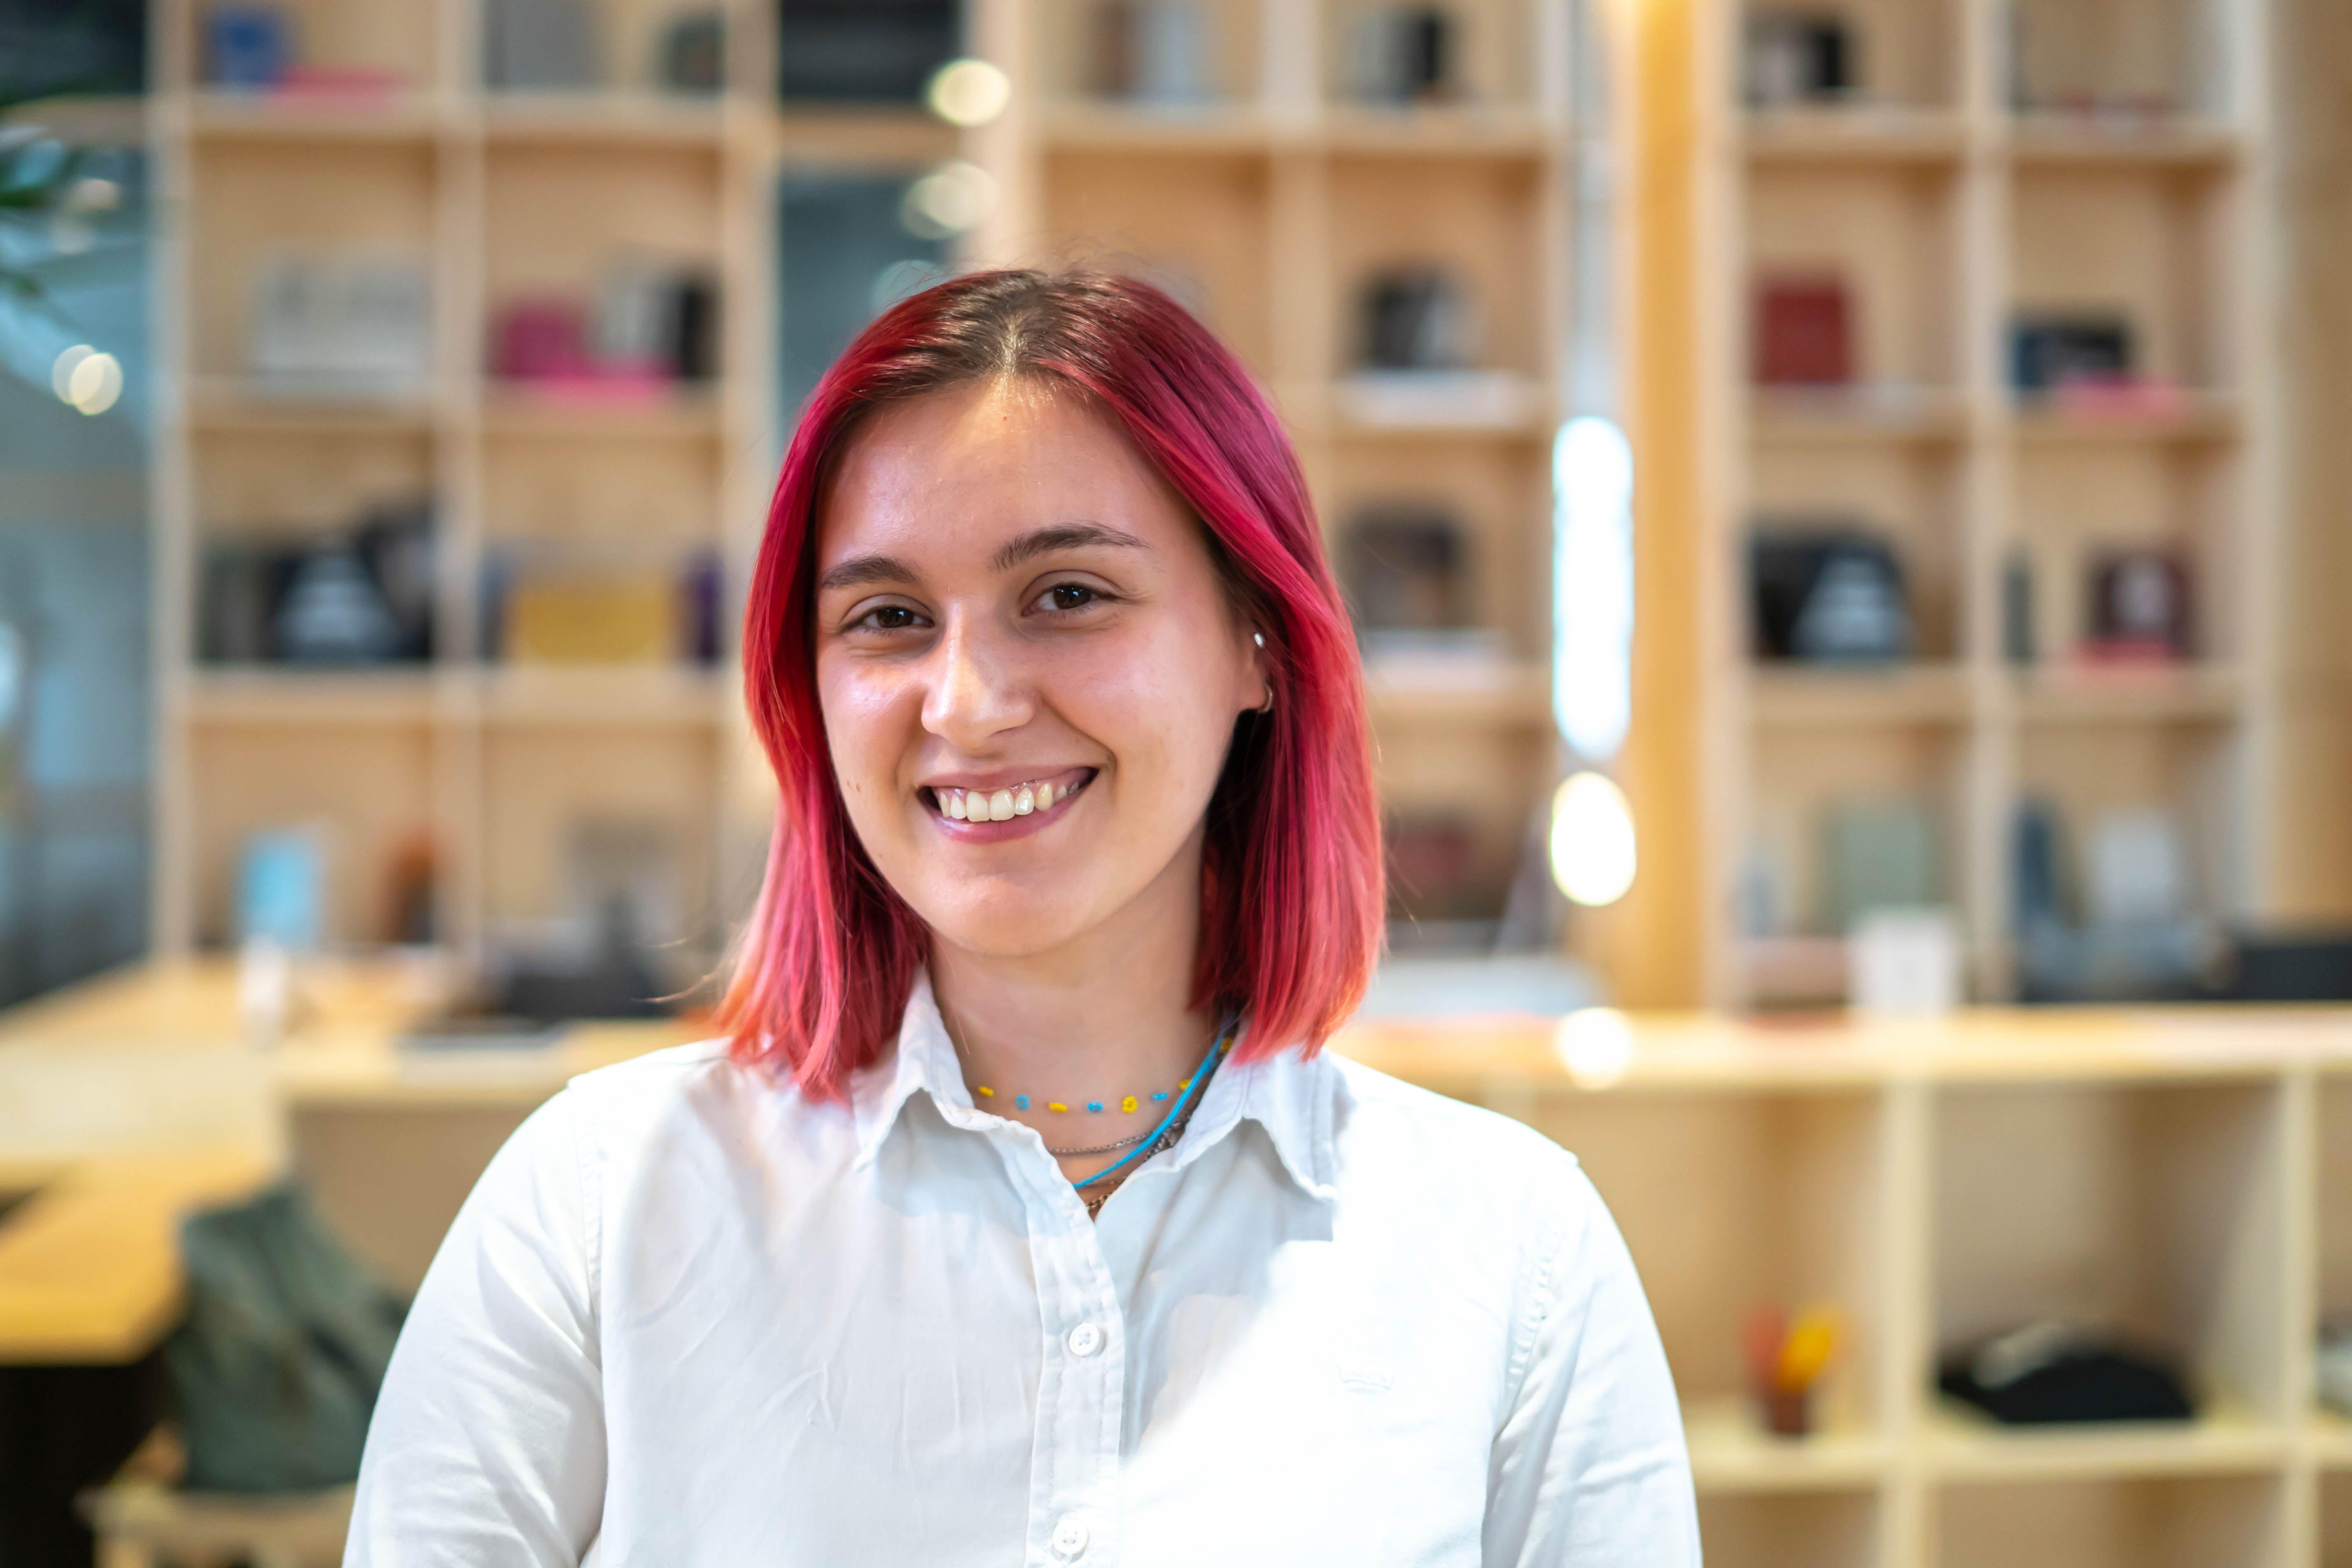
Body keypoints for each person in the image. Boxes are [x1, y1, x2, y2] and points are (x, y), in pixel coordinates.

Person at [346, 269, 1698, 1565]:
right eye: (885, 617)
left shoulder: (1507, 1253)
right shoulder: (595, 1208)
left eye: (1066, 595)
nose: (968, 702)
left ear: (1256, 642)